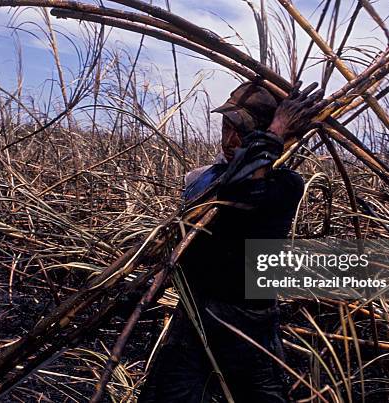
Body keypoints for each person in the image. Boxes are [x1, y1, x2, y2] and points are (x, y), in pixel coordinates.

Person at [138, 80, 323, 403]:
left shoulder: (285, 186)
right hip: (195, 316)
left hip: (248, 323)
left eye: (244, 131)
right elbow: (184, 243)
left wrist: (278, 129)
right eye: (227, 126)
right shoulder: (202, 179)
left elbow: (242, 191)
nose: (230, 139)